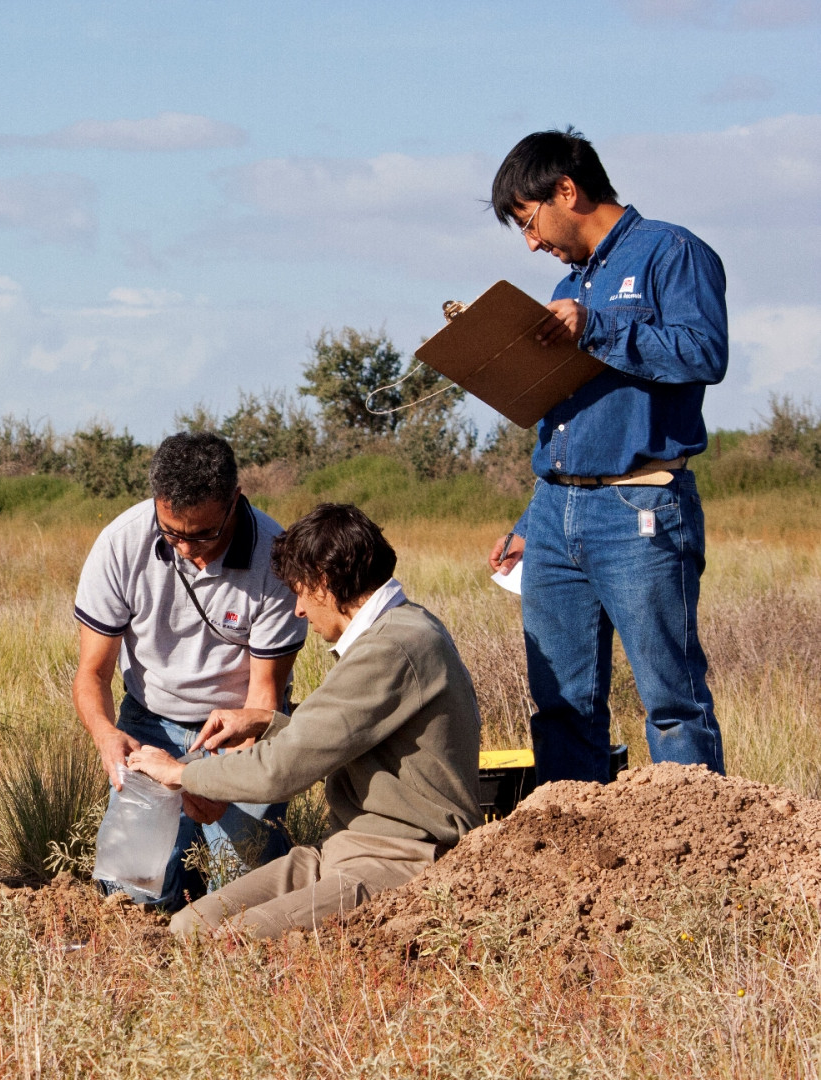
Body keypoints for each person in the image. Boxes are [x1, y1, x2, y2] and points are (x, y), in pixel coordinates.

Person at [485, 128, 727, 783]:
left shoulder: (671, 253)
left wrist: (598, 328)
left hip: (641, 504)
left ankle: (692, 863)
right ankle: (577, 866)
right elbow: (572, 418)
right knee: (560, 706)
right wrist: (533, 524)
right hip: (557, 511)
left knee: (672, 703)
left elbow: (705, 353)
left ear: (567, 189)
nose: (531, 242)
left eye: (528, 221)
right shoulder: (570, 284)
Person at [128, 503, 483, 939]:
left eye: (299, 590)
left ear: (326, 583)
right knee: (188, 927)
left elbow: (281, 771)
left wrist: (181, 773)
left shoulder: (394, 646)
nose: (298, 609)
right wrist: (265, 722)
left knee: (232, 944)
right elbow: (334, 735)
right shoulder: (401, 629)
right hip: (341, 851)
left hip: (402, 859)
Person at [73, 432, 308, 909]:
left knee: (243, 898)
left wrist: (223, 782)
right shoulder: (121, 543)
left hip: (238, 734)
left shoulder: (275, 559)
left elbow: (264, 698)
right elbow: (92, 673)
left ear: (234, 502)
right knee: (132, 897)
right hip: (148, 725)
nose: (184, 549)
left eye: (202, 534)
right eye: (171, 533)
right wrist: (104, 734)